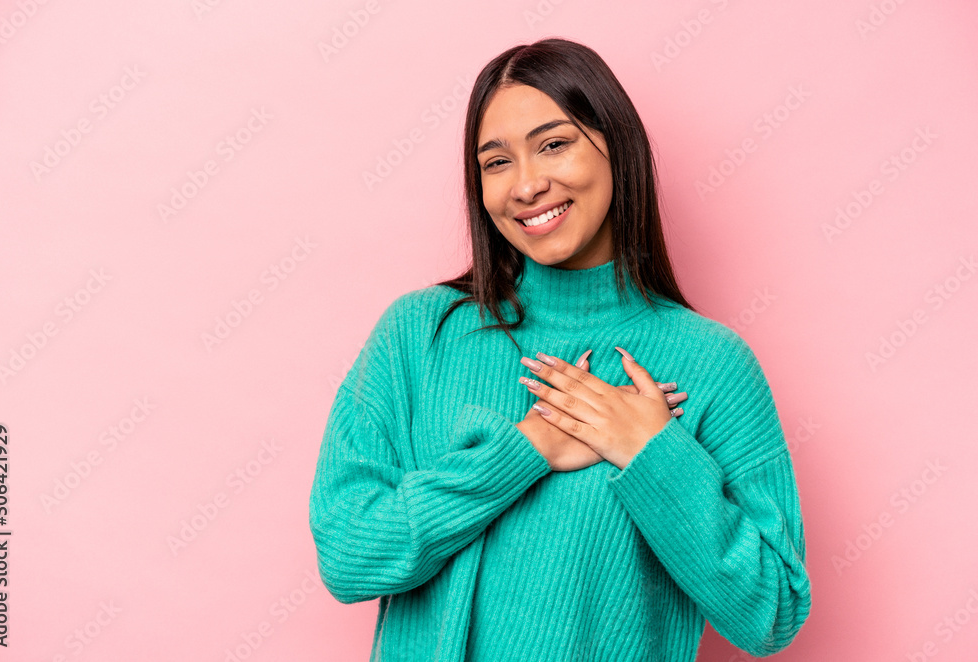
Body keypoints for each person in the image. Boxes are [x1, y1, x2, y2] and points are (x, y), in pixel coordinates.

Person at [310, 37, 811, 661]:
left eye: (554, 144)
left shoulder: (712, 364)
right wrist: (528, 449)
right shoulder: (420, 334)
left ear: (616, 148)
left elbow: (772, 613)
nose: (527, 185)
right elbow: (349, 555)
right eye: (496, 162)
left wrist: (652, 453)